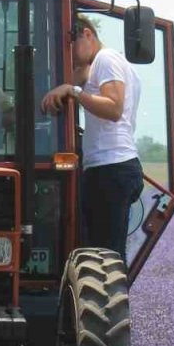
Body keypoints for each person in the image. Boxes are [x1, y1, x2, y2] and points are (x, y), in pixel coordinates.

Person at [41, 15, 143, 265]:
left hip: (111, 167)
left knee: (106, 258)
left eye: (70, 45)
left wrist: (73, 91)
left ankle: (111, 305)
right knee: (101, 253)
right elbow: (82, 76)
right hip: (111, 166)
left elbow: (113, 107)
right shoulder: (101, 63)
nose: (71, 54)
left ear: (87, 34)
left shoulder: (106, 60)